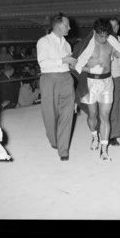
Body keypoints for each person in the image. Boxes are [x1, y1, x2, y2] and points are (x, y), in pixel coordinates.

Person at [70, 18, 120, 161]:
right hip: (90, 83)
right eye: (101, 35)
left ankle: (104, 149)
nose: (104, 38)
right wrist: (90, 68)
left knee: (105, 116)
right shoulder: (87, 46)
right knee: (92, 115)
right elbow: (74, 65)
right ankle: (94, 135)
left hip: (107, 82)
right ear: (94, 32)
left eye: (106, 35)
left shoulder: (111, 42)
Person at [36, 12, 76, 161]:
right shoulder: (44, 41)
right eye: (67, 25)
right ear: (58, 26)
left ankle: (63, 150)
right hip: (49, 79)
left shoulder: (66, 44)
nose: (69, 27)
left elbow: (69, 62)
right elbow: (43, 63)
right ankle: (54, 140)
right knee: (50, 115)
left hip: (66, 78)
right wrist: (63, 59)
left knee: (67, 114)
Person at [109, 18, 120, 146]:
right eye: (111, 26)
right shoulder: (103, 39)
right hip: (104, 76)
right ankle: (101, 132)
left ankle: (113, 135)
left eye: (115, 26)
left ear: (118, 27)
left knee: (116, 105)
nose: (113, 28)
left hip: (117, 76)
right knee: (102, 106)